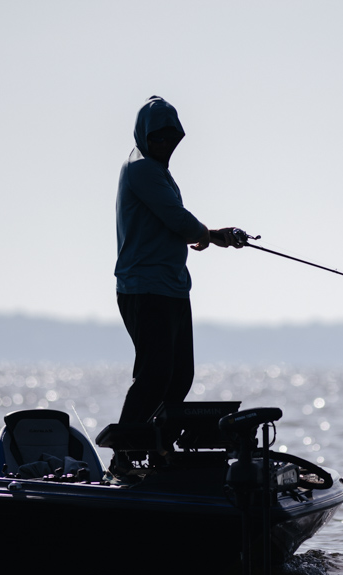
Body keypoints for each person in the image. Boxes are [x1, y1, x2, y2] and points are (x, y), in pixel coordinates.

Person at [107, 96, 243, 468]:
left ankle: (157, 452)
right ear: (145, 137)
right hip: (144, 289)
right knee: (154, 375)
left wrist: (211, 234)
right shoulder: (141, 169)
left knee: (180, 376)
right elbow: (177, 219)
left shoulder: (156, 171)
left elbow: (176, 223)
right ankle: (123, 459)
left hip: (172, 289)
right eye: (158, 138)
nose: (165, 144)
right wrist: (210, 235)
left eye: (171, 138)